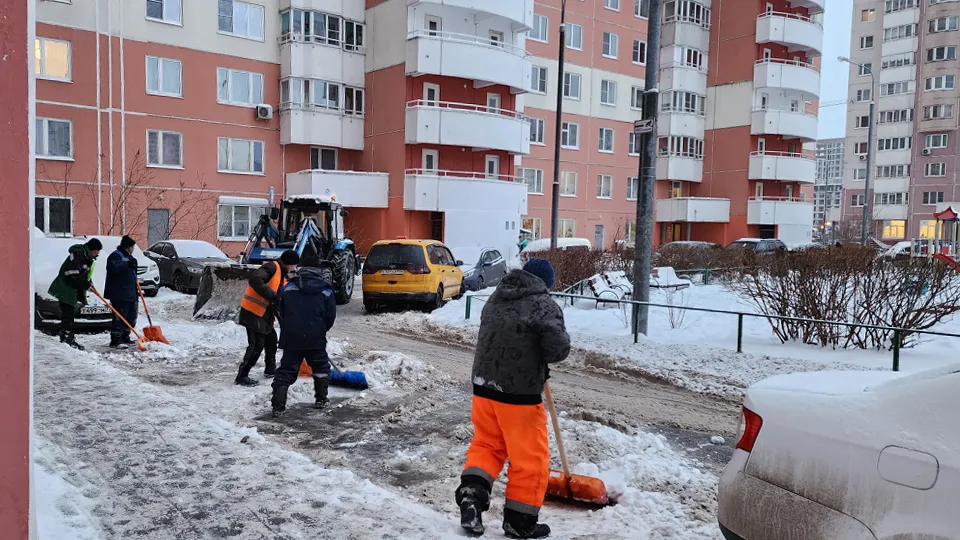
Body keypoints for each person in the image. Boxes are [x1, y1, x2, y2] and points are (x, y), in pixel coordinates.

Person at [456, 258, 571, 539]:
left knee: (487, 444)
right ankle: (520, 522)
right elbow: (557, 350)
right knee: (529, 458)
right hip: (518, 395)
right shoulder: (544, 305)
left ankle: (472, 497)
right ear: (544, 282)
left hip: (484, 387)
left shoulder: (496, 298)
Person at [270, 252, 337, 417]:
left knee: (286, 369)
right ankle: (321, 399)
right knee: (320, 367)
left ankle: (278, 406)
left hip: (292, 336)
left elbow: (282, 312)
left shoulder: (289, 287)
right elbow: (330, 316)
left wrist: (291, 328)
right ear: (319, 269)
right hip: (315, 336)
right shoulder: (326, 291)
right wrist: (319, 329)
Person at [235, 249, 300, 387]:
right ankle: (242, 376)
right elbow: (255, 279)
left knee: (271, 340)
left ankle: (270, 370)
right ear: (289, 263)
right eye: (294, 265)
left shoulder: (281, 275)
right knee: (256, 344)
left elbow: (277, 300)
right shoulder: (272, 267)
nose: (294, 268)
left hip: (264, 314)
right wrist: (272, 296)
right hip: (253, 312)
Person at [48, 238, 102, 350]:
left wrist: (89, 284)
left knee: (69, 315)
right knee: (68, 315)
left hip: (70, 289)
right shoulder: (79, 255)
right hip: (65, 289)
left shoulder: (85, 257)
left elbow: (83, 274)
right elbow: (72, 274)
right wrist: (86, 285)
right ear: (92, 250)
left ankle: (66, 338)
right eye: (96, 252)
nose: (97, 255)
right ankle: (67, 339)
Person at [104, 235, 140, 349]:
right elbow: (113, 267)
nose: (133, 249)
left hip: (131, 292)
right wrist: (127, 264)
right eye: (132, 247)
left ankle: (125, 336)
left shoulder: (129, 257)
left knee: (131, 316)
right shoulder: (115, 255)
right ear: (128, 247)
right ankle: (116, 339)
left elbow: (131, 272)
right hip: (120, 292)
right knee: (120, 316)